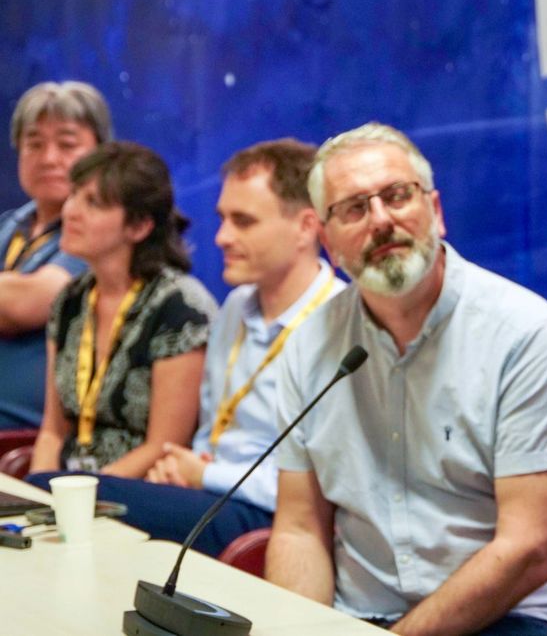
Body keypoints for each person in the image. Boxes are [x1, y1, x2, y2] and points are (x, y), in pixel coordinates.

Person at [265, 123, 547, 635]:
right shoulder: (310, 348)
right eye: (353, 208)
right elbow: (299, 528)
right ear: (328, 242)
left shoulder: (525, 336)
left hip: (513, 616)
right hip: (362, 616)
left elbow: (529, 549)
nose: (381, 220)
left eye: (397, 196)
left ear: (435, 212)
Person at [76, 139, 342, 554]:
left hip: (267, 515)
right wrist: (178, 469)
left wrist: (205, 476)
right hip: (201, 489)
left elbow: (328, 491)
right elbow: (209, 432)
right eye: (222, 219)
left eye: (244, 221)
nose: (221, 237)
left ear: (306, 227)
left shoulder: (340, 325)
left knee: (60, 497)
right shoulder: (235, 307)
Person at [28, 141, 214, 477]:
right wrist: (38, 492)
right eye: (73, 195)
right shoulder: (70, 299)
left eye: (93, 203)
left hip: (135, 490)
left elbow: (165, 445)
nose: (70, 211)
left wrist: (84, 497)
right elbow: (52, 431)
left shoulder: (179, 308)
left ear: (139, 226)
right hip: (67, 488)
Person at [0, 81, 112, 429]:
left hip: (28, 435)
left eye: (67, 144)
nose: (49, 158)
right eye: (34, 144)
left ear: (100, 153)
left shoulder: (101, 233)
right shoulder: (9, 224)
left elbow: (29, 304)